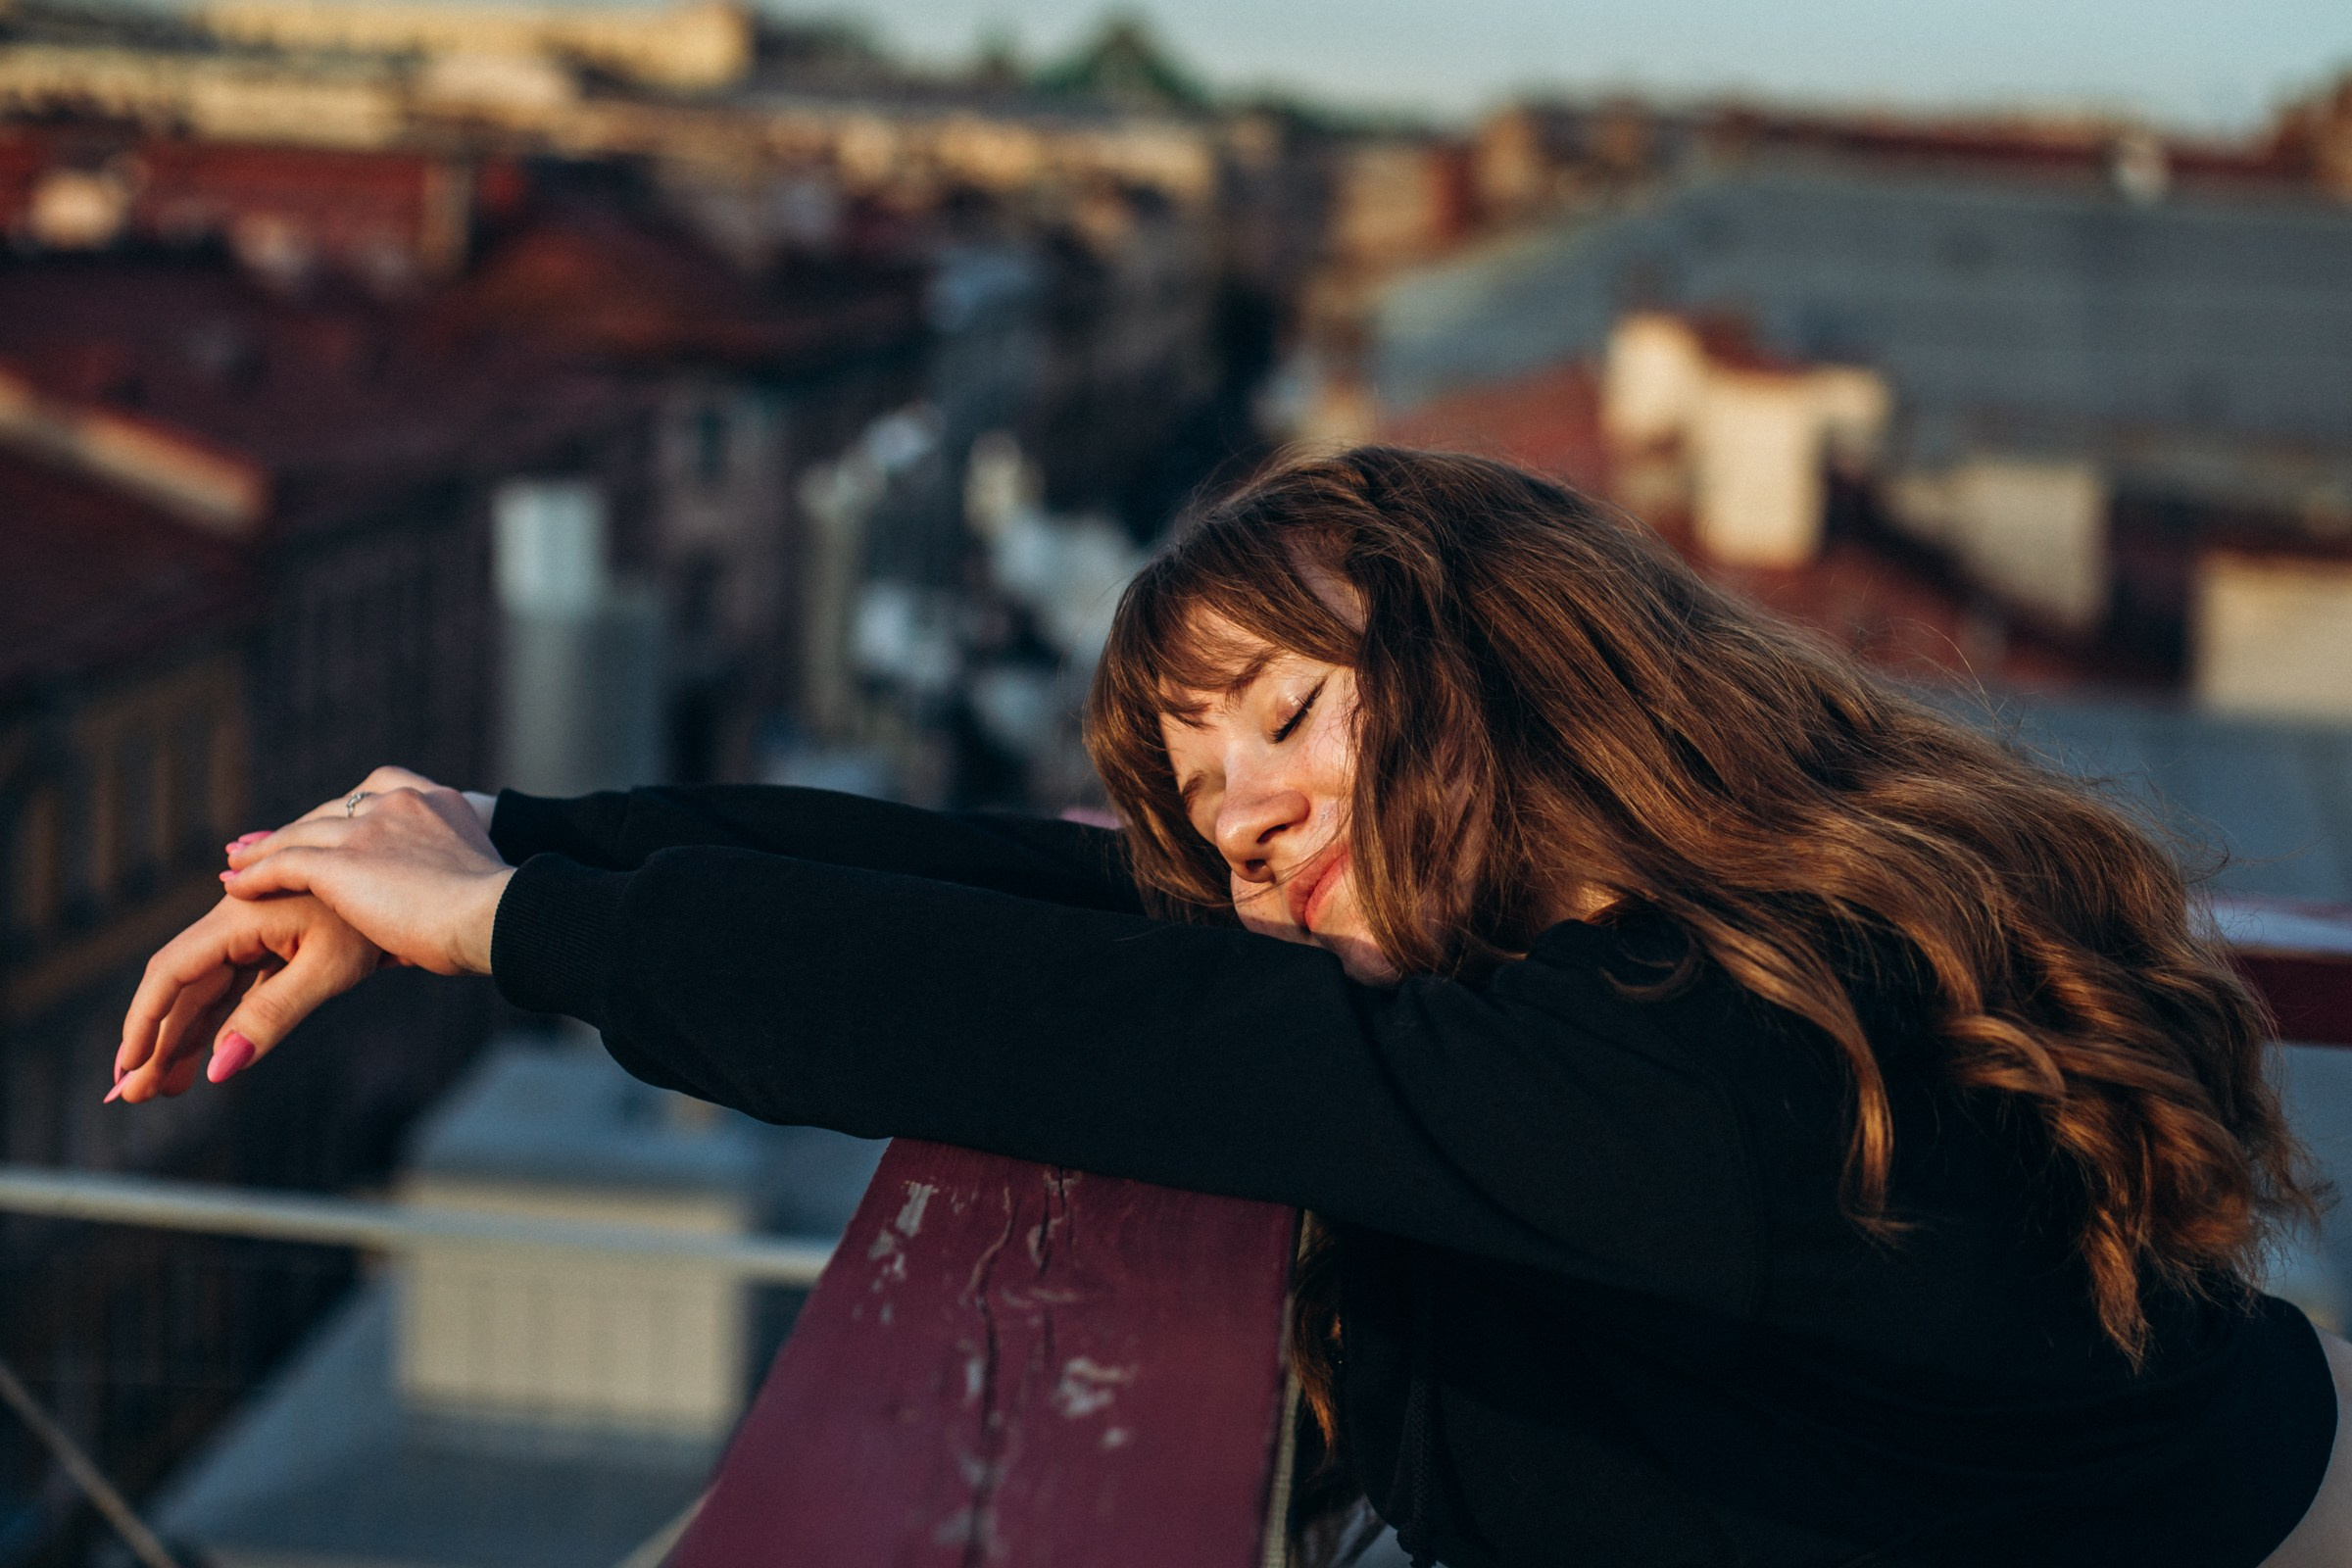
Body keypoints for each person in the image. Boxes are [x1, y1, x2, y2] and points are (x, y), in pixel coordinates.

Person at [115, 448, 2352, 1567]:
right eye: (1196, 779)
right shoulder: (1669, 934)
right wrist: (508, 833)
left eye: (1282, 715)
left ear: (1506, 662)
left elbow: (1095, 1028)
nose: (1244, 814)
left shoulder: (1699, 1049)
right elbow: (1069, 914)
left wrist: (523, 933)